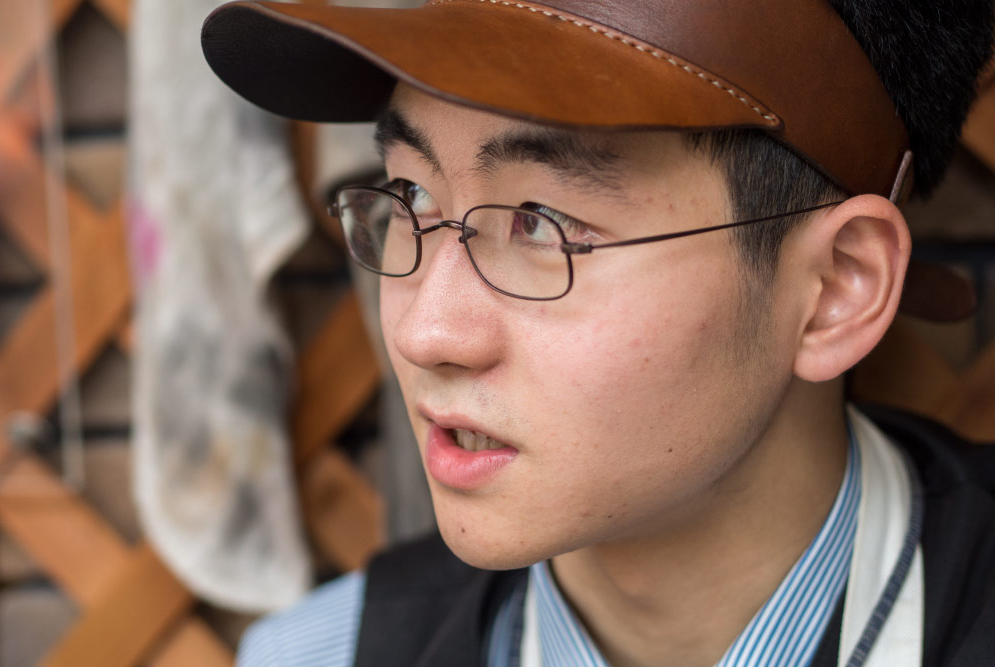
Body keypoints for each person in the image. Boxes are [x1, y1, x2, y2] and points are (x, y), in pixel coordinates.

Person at [200, 1, 995, 664]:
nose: (424, 331)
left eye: (540, 221)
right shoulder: (321, 653)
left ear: (835, 289)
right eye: (410, 194)